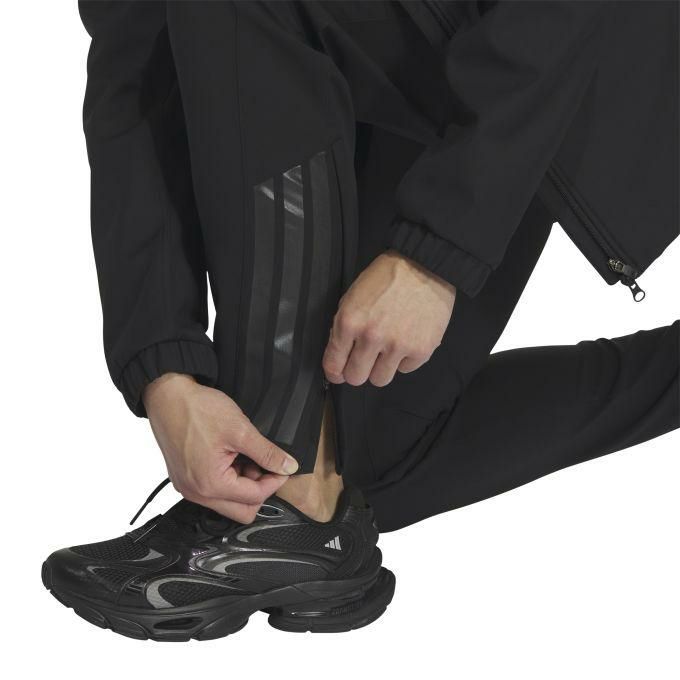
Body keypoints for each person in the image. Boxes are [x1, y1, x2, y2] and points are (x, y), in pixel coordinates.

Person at [42, 1, 678, 640]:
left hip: (561, 58)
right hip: (401, 52)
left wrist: (433, 255)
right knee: (360, 458)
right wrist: (165, 372)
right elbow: (134, 53)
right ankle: (302, 504)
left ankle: (289, 498)